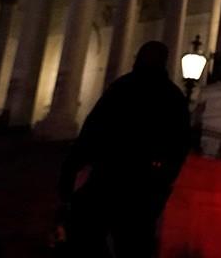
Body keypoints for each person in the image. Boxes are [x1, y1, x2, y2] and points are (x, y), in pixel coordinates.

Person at [58, 41, 191, 257]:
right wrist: (162, 181)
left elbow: (93, 131)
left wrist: (71, 168)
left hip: (111, 176)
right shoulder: (172, 96)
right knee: (133, 242)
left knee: (86, 232)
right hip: (143, 184)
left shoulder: (122, 88)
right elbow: (179, 146)